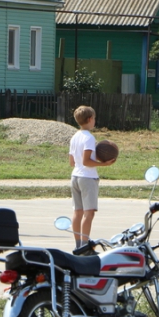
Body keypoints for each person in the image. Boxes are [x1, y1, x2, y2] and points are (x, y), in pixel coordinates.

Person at [69, 105, 116, 248]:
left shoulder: (75, 137)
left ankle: (78, 245)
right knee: (88, 214)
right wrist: (104, 164)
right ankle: (85, 246)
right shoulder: (89, 138)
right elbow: (86, 161)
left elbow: (72, 162)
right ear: (89, 119)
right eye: (94, 118)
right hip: (87, 178)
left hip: (75, 176)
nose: (94, 121)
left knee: (77, 212)